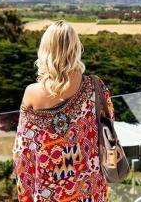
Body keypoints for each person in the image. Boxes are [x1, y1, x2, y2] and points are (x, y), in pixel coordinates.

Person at [12, 20, 115, 202]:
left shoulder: (32, 93)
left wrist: (26, 195)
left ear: (45, 50)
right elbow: (108, 127)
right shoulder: (95, 86)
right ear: (76, 48)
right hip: (90, 188)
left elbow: (22, 151)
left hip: (49, 193)